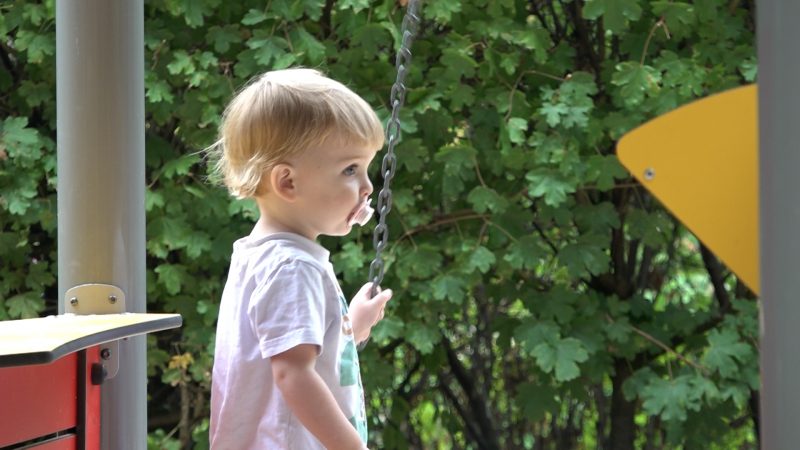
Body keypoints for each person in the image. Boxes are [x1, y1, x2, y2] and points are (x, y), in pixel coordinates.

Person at [208, 68, 393, 450]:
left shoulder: (261, 254)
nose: (368, 186)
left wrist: (350, 329)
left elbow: (284, 350)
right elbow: (293, 375)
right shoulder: (293, 266)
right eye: (349, 169)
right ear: (287, 182)